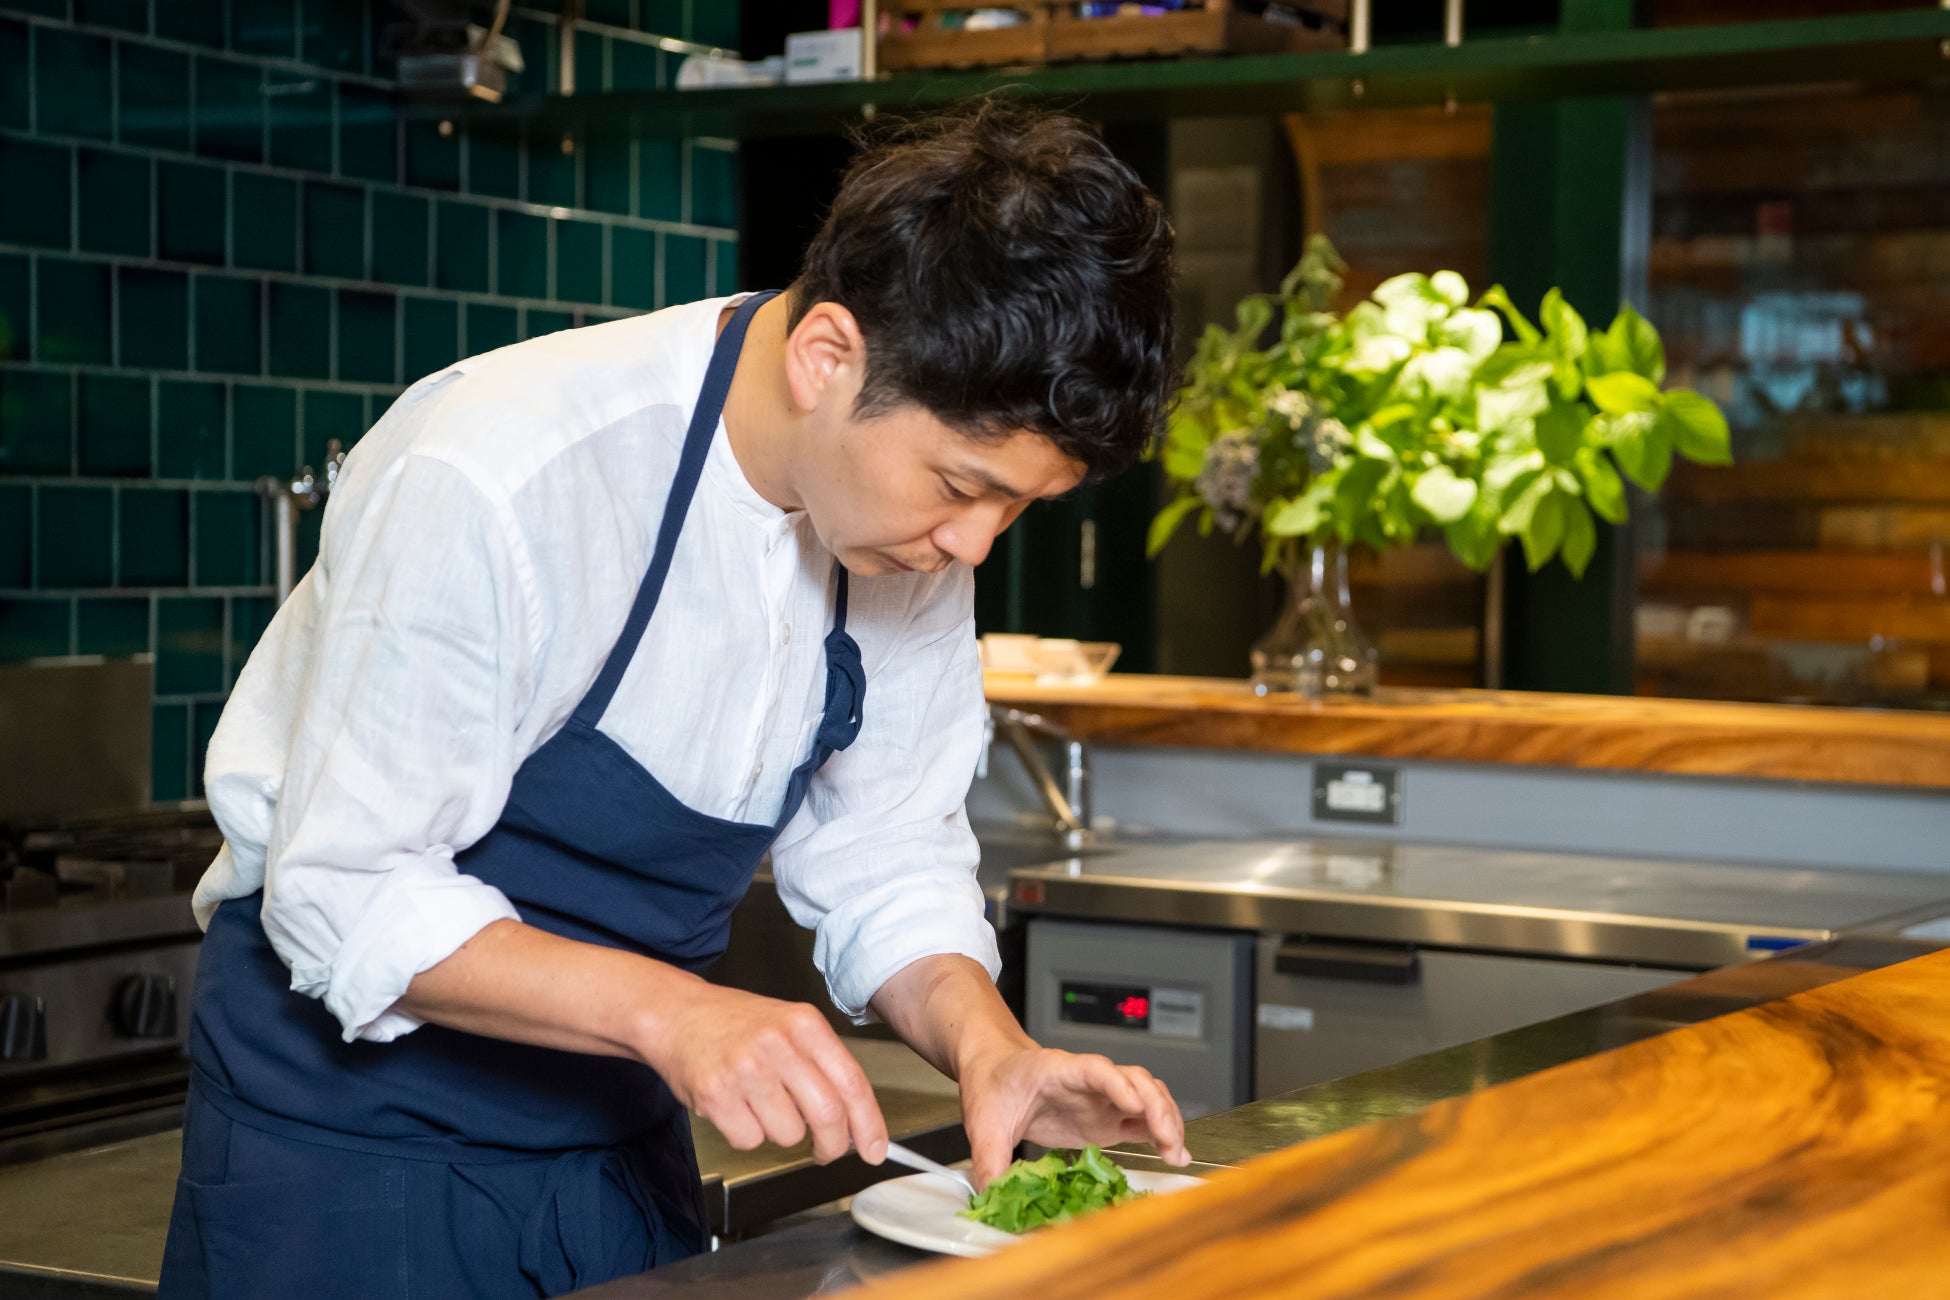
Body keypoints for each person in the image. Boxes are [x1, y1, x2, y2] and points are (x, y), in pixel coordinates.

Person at [159, 101, 1183, 1299]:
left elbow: (887, 851)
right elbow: (346, 883)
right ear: (827, 357)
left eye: (1017, 506)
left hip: (618, 1148)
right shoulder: (500, 468)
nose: (974, 544)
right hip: (350, 1163)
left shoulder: (900, 531)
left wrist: (988, 1048)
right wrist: (679, 1014)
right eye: (962, 487)